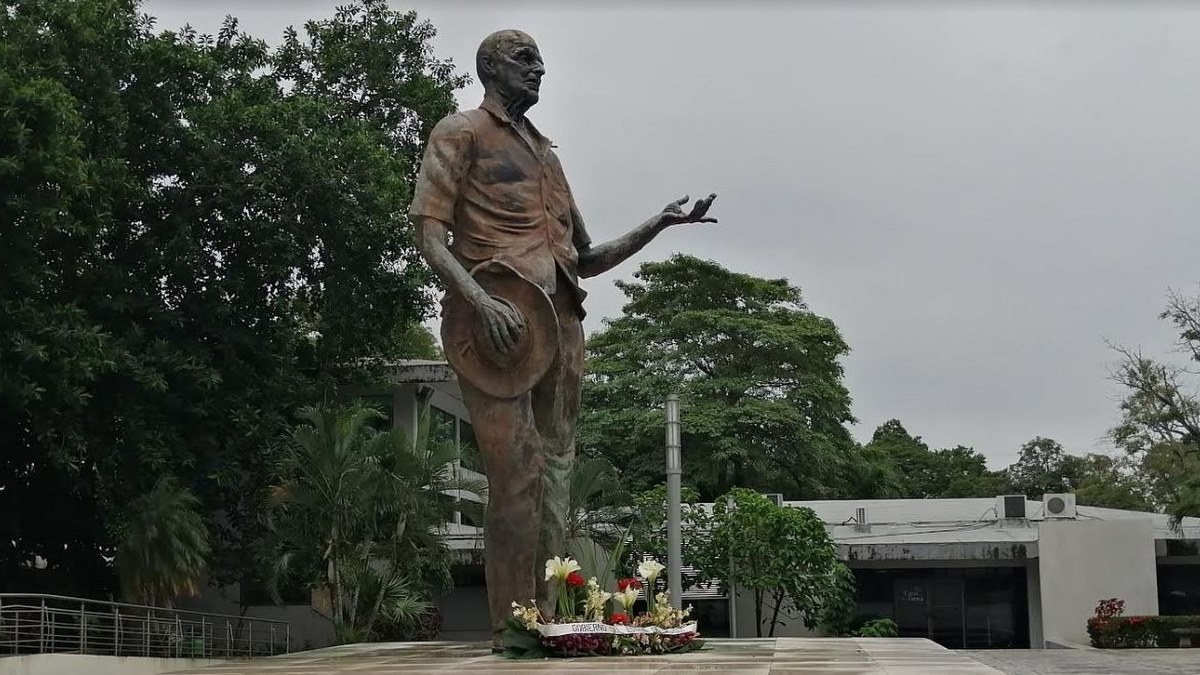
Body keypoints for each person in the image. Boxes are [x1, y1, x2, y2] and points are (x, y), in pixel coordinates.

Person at [410, 29, 717, 648]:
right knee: (514, 472)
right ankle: (512, 627)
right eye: (526, 59)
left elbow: (586, 256)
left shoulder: (548, 157)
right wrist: (479, 300)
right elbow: (428, 236)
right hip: (497, 326)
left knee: (556, 472)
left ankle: (551, 622)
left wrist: (657, 224)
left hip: (563, 322)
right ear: (491, 67)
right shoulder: (461, 131)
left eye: (541, 60)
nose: (541, 70)